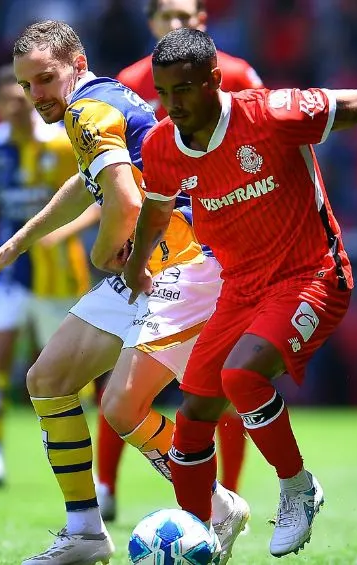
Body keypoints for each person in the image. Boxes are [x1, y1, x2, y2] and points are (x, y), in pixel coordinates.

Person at [123, 28, 357, 558]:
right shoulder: (161, 146)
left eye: (183, 90)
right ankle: (202, 534)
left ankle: (297, 488)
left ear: (214, 81)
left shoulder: (272, 114)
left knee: (241, 376)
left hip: (312, 275)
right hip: (240, 288)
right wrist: (136, 267)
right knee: (193, 418)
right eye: (164, 93)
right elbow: (156, 210)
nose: (172, 105)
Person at [0, 21, 249, 565]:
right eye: (27, 86)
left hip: (185, 265)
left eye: (45, 79)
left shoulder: (85, 109)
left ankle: (215, 503)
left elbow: (119, 197)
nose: (36, 96)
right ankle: (84, 534)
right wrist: (20, 242)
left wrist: (101, 255)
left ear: (77, 62)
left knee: (121, 406)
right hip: (152, 261)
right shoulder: (105, 98)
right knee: (48, 379)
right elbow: (87, 180)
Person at [93, 0, 264, 522]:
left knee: (219, 386)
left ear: (201, 20)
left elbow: (264, 148)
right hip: (152, 252)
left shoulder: (235, 73)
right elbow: (119, 176)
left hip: (219, 256)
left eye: (184, 14)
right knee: (118, 383)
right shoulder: (127, 82)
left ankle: (223, 494)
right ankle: (106, 487)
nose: (175, 24)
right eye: (166, 16)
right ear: (150, 24)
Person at [0, 65, 99, 486]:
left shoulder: (62, 144)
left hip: (58, 274)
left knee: (67, 372)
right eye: (6, 102)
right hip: (6, 272)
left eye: (21, 101)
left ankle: (87, 464)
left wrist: (64, 233)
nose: (15, 109)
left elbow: (97, 197)